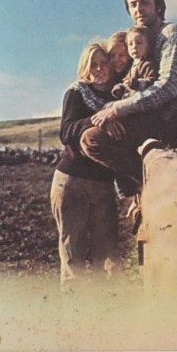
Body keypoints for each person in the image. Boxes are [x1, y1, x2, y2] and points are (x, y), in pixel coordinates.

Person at [79, 0, 177, 223]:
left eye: (145, 2)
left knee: (91, 139)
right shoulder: (141, 42)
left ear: (158, 5)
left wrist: (116, 110)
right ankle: (145, 192)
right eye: (133, 4)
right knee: (100, 136)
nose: (139, 9)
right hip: (154, 115)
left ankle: (153, 187)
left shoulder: (172, 34)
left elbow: (167, 87)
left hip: (175, 118)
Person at [50, 42, 121, 286]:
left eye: (103, 63)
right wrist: (97, 120)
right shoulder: (76, 93)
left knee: (107, 255)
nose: (99, 69)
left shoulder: (118, 97)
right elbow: (66, 132)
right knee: (73, 255)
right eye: (93, 65)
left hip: (103, 185)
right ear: (85, 68)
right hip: (73, 182)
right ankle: (74, 308)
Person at [111, 27, 158, 99]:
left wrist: (137, 84)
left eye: (139, 43)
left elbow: (152, 80)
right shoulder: (131, 66)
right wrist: (121, 87)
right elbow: (128, 82)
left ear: (148, 46)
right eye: (130, 44)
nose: (134, 46)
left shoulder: (147, 64)